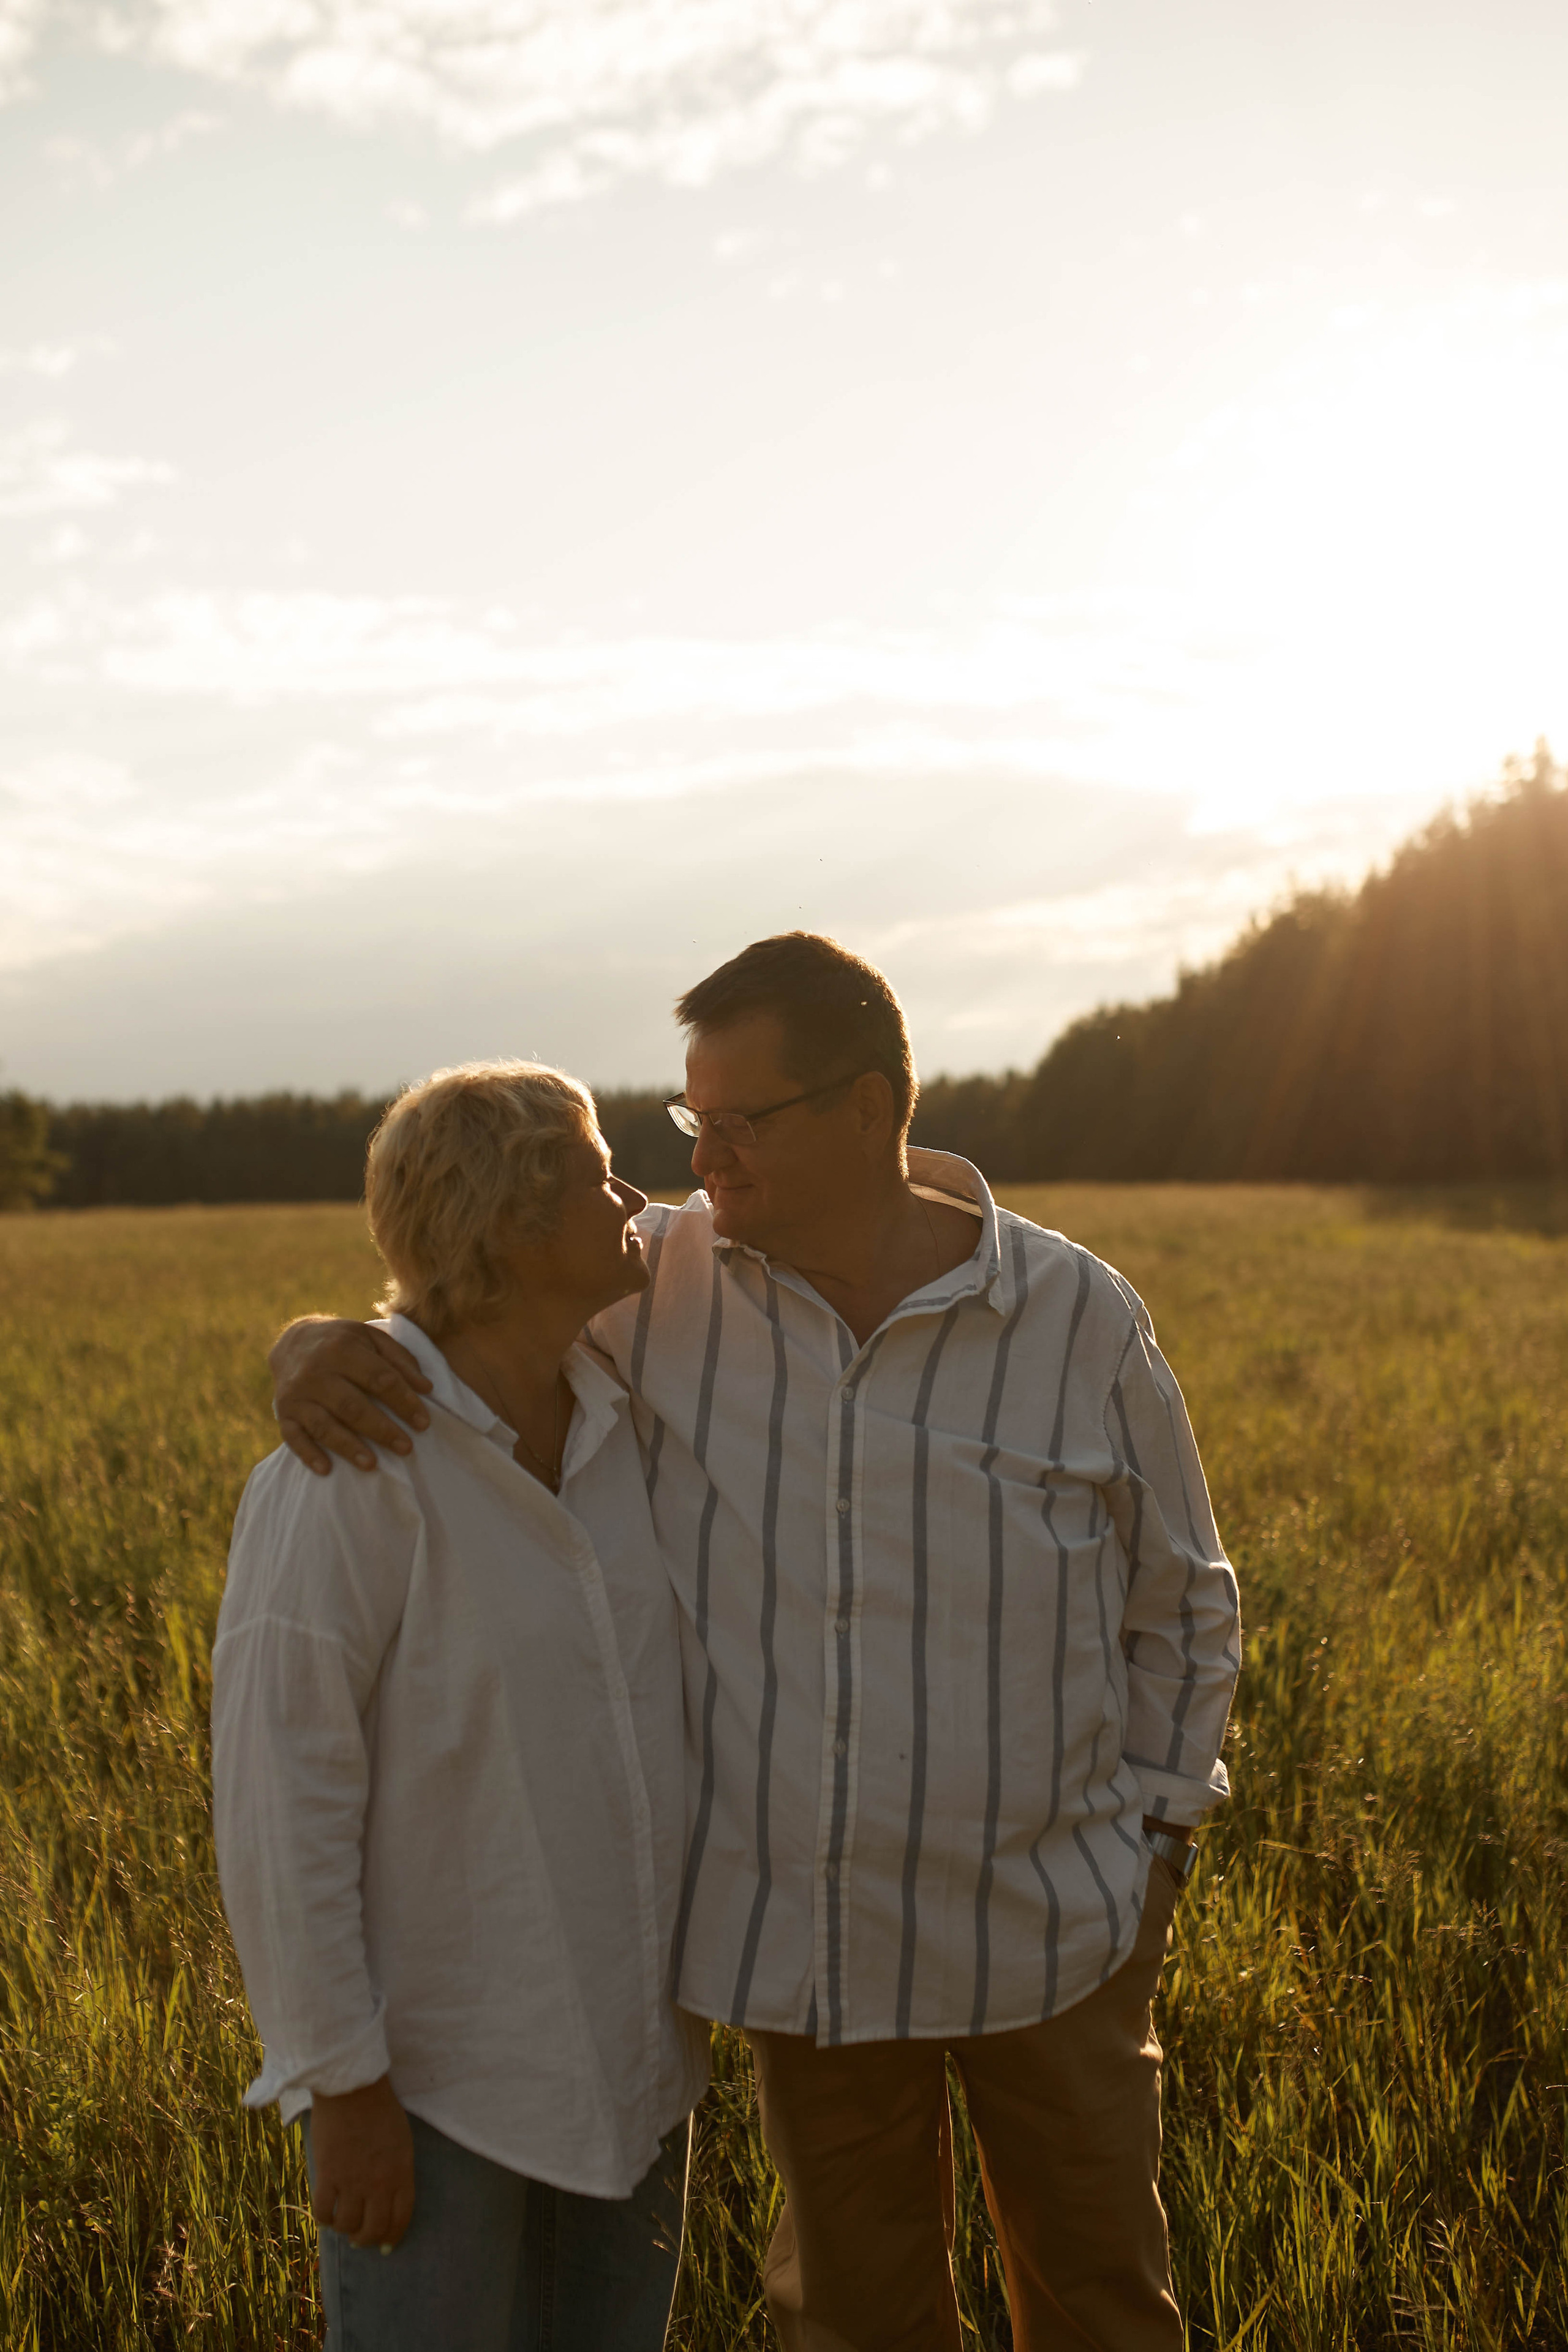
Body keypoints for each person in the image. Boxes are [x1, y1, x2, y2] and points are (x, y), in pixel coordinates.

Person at [270, 933, 1243, 2352]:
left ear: (867, 1109)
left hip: (1057, 1936)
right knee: (851, 2320)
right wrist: (303, 1347)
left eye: (739, 1125)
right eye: (689, 1124)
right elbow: (470, 1310)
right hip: (821, 1954)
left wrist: (1157, 1848)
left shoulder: (1071, 1316)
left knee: (1100, 2303)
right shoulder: (661, 1286)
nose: (702, 1161)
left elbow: (1186, 1600)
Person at [213, 1060, 708, 2352]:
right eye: (597, 1173)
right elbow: (281, 1798)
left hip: (637, 2073)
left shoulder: (629, 1427)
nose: (632, 1198)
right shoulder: (348, 1473)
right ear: (506, 1224)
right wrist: (344, 2089)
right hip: (439, 2095)